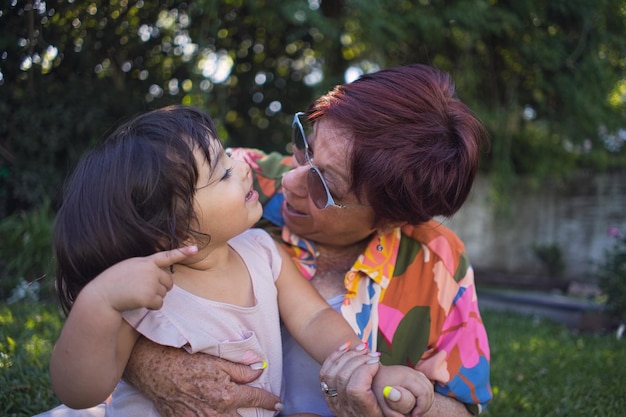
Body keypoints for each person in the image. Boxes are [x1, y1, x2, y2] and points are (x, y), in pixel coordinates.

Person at [118, 63, 493, 417]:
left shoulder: (439, 263)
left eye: (325, 185)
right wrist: (156, 366)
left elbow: (462, 406)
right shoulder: (233, 187)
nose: (289, 181)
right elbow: (99, 275)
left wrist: (395, 405)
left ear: (391, 218)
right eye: (306, 146)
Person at [47, 105, 414, 417]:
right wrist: (99, 301)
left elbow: (314, 318)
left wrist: (368, 372)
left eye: (227, 156)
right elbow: (82, 392)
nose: (241, 165)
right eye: (223, 172)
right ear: (173, 231)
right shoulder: (143, 288)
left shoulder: (262, 252)